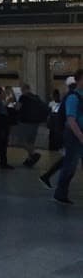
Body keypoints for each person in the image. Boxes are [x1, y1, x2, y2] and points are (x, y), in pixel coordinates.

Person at [40, 76, 77, 189]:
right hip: (72, 134)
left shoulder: (69, 96)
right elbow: (69, 118)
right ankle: (59, 188)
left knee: (68, 161)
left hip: (69, 133)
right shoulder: (72, 97)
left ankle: (48, 177)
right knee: (69, 162)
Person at [53, 70, 83, 205]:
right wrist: (81, 137)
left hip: (79, 133)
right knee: (70, 165)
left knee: (71, 163)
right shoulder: (73, 97)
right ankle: (60, 193)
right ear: (78, 80)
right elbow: (71, 120)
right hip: (74, 134)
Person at [15, 83, 48, 168]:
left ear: (24, 89)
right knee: (31, 141)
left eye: (22, 90)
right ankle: (30, 160)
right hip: (35, 123)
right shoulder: (36, 97)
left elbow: (17, 108)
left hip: (25, 122)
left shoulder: (23, 97)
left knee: (22, 141)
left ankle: (33, 154)